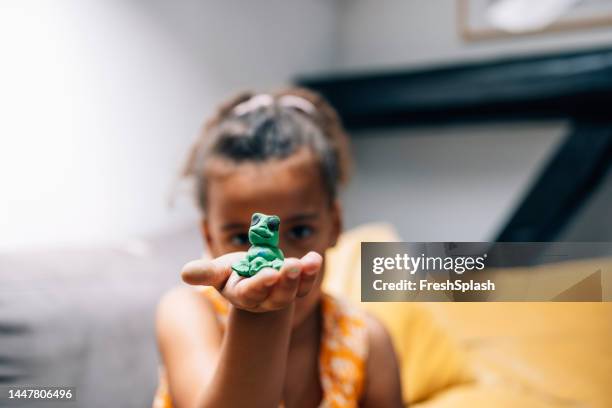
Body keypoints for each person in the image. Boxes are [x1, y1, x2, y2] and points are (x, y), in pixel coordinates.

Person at [153, 88, 403, 408]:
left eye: (299, 231)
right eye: (241, 238)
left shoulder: (367, 342)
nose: (279, 259)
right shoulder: (186, 312)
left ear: (335, 224)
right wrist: (257, 313)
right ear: (209, 238)